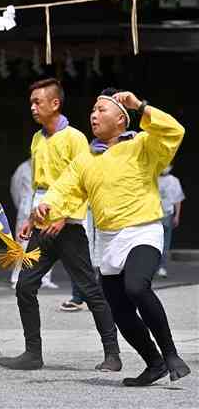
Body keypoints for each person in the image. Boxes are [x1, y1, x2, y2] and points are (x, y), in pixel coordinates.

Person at [36, 89, 191, 386]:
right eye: (92, 110)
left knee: (136, 287)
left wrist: (141, 105)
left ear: (121, 119)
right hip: (107, 239)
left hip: (143, 229)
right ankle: (154, 363)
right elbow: (64, 187)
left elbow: (174, 130)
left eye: (101, 109)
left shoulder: (143, 144)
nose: (94, 114)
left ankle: (171, 355)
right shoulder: (86, 159)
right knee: (118, 308)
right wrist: (47, 206)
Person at [0, 78, 120, 372]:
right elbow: (37, 186)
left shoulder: (75, 138)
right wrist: (29, 219)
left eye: (37, 102)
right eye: (31, 102)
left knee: (89, 289)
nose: (32, 107)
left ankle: (112, 354)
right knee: (25, 287)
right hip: (42, 222)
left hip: (69, 224)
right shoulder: (37, 139)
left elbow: (83, 181)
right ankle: (33, 353)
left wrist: (65, 216)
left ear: (55, 103)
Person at [9, 159, 56, 290]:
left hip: (45, 209)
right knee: (22, 243)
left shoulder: (51, 164)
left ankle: (44, 278)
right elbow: (15, 188)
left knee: (47, 242)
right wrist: (22, 205)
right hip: (26, 210)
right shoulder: (24, 167)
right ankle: (17, 277)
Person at [157, 166, 184, 278]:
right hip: (154, 215)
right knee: (154, 242)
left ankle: (162, 267)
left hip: (167, 214)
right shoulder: (154, 178)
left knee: (165, 243)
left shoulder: (174, 181)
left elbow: (177, 199)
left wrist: (177, 216)